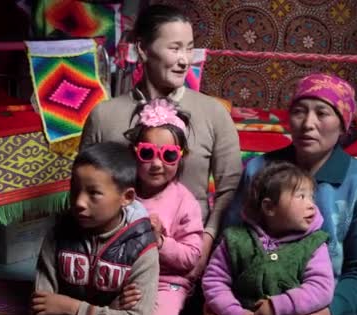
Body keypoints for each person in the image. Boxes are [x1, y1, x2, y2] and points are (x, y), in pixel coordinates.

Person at [200, 73, 357, 315]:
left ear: (344, 125)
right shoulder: (259, 170)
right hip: (246, 309)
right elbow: (228, 245)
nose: (308, 124)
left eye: (322, 113)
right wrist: (213, 306)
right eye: (299, 112)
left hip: (326, 314)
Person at [80, 4, 242, 280]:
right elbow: (83, 186)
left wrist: (205, 243)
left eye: (189, 48)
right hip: (113, 256)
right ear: (143, 49)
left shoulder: (213, 113)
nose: (184, 60)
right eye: (175, 48)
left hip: (187, 257)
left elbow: (231, 188)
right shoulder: (104, 116)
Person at [0, 142, 159, 315]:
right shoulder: (58, 234)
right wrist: (109, 312)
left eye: (94, 193)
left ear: (127, 197)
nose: (79, 202)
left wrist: (69, 307)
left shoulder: (142, 248)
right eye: (75, 190)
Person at [202, 161, 334, 315]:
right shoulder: (235, 239)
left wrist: (277, 306)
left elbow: (321, 288)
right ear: (269, 207)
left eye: (311, 197)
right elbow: (214, 281)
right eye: (301, 197)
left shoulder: (314, 244)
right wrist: (234, 313)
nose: (311, 205)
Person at [122, 97, 203, 315]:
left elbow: (191, 257)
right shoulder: (122, 193)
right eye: (148, 153)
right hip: (125, 278)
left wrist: (160, 241)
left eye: (168, 155)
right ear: (134, 153)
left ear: (181, 156)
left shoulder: (184, 201)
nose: (157, 164)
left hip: (166, 283)